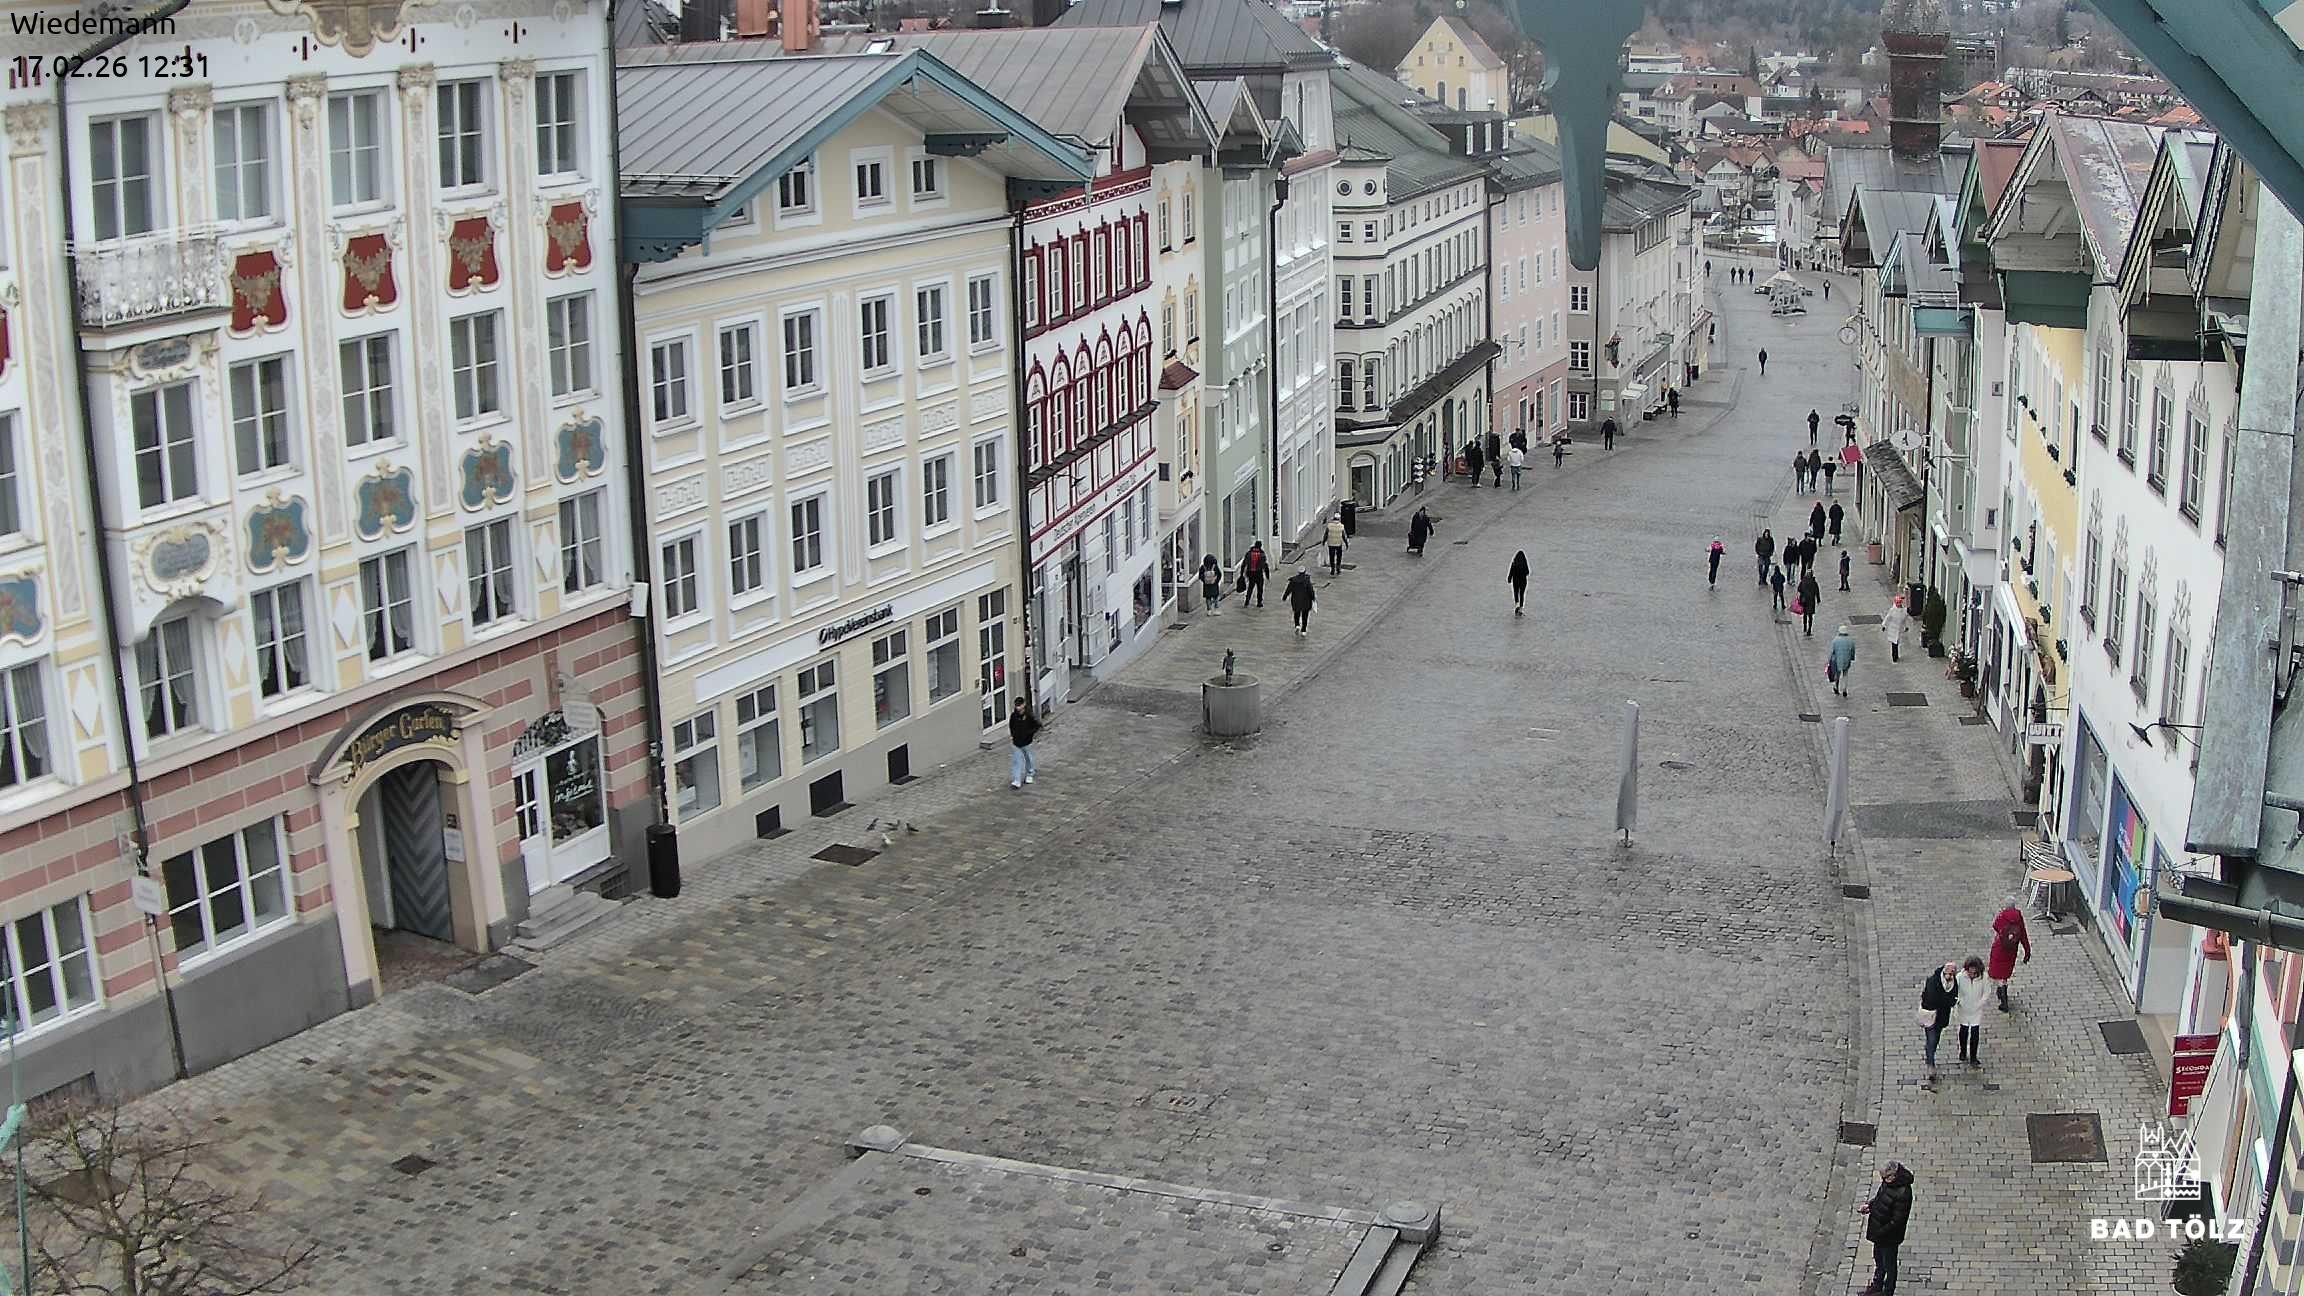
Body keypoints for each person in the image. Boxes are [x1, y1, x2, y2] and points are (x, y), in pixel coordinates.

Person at [1858, 1161, 1914, 1296]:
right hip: (1879, 1233)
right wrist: (1870, 1206)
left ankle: (1888, 1291)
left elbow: (1897, 1221)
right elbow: (1880, 1198)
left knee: (1889, 1264)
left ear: (1894, 1175)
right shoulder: (1888, 1183)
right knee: (1879, 1260)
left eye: (1886, 1178)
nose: (1884, 1181)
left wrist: (1881, 1232)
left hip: (1889, 1237)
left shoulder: (1903, 1193)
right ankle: (1877, 1285)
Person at [1919, 960, 1959, 1085]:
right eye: (1948, 973)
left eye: (1952, 974)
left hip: (1941, 1017)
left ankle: (1930, 1055)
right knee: (1931, 1040)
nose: (1949, 976)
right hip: (1930, 1016)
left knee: (1935, 1040)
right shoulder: (1933, 980)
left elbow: (1953, 1000)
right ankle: (1930, 1064)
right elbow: (1931, 999)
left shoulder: (1954, 984)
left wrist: (1947, 1001)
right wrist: (1946, 1001)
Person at [1988, 900, 2032, 1011]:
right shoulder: (2019, 918)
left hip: (2000, 949)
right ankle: (2003, 994)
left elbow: (1995, 926)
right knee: (2004, 974)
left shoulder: (2002, 916)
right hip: (2011, 951)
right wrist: (2027, 952)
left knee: (1999, 975)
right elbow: (2024, 936)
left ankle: (2003, 1000)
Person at [1956, 955, 1991, 1068]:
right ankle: (1962, 1051)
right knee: (1963, 1030)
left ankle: (1973, 1056)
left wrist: (1979, 1004)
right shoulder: (1960, 977)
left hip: (1976, 1009)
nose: (1971, 974)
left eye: (1974, 972)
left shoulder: (1984, 978)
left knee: (1975, 1032)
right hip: (1963, 1009)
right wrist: (1960, 1001)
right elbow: (1955, 991)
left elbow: (1986, 992)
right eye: (1970, 972)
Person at [1007, 696, 1041, 790]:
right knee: (1016, 761)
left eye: (1019, 705)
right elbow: (1011, 726)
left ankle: (1030, 774)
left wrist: (1029, 734)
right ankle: (1016, 780)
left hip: (1027, 742)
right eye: (1016, 706)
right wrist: (1013, 735)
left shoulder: (1029, 715)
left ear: (1023, 705)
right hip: (1016, 742)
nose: (1018, 708)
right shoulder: (1013, 716)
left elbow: (1037, 725)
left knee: (1029, 758)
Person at [1282, 566, 1316, 638]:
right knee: (1305, 616)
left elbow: (1288, 589)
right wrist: (1313, 597)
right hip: (1306, 601)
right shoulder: (1307, 580)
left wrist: (1285, 596)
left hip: (1296, 600)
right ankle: (1303, 630)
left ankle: (1297, 625)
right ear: (1304, 572)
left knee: (1296, 613)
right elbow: (1310, 590)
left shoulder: (1293, 580)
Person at [1828, 623, 1857, 696]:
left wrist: (1829, 661)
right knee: (1845, 674)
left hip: (1837, 660)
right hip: (1847, 660)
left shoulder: (1835, 640)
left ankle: (1836, 687)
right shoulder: (1850, 640)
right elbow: (1853, 650)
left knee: (1837, 674)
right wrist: (1852, 658)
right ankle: (1844, 689)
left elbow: (1832, 651)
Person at [1241, 541, 1269, 607]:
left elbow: (1244, 563)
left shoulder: (1249, 553)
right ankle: (1259, 602)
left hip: (1250, 573)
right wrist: (1267, 575)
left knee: (1250, 587)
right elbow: (1265, 565)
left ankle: (1247, 601)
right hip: (1259, 573)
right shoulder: (1262, 554)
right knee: (1260, 588)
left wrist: (1242, 573)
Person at [1883, 594, 1910, 662]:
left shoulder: (1904, 611)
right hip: (1893, 628)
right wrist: (1884, 625)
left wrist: (1905, 627)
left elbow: (1904, 620)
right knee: (1894, 643)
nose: (1898, 604)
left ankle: (1896, 655)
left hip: (1898, 629)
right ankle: (1894, 656)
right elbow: (1887, 618)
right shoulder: (1892, 610)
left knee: (1896, 642)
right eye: (1897, 603)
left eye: (1899, 602)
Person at [1797, 569, 1822, 636]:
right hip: (1811, 601)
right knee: (1810, 615)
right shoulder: (1813, 582)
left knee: (1805, 614)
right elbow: (1817, 591)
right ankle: (1809, 629)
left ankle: (1805, 626)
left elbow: (1799, 589)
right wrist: (1818, 599)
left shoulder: (1803, 581)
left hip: (1804, 600)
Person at [1508, 550, 1531, 615]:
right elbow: (1527, 572)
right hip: (1523, 581)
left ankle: (1517, 604)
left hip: (1515, 581)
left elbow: (1511, 572)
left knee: (1516, 592)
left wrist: (1509, 579)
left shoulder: (1514, 563)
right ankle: (1521, 608)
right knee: (1521, 594)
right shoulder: (1524, 563)